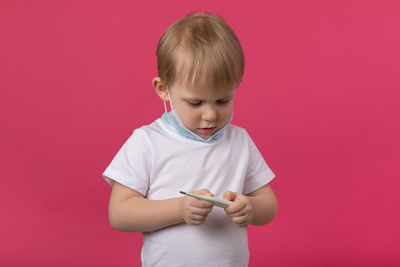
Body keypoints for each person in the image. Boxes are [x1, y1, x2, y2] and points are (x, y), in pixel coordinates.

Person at [102, 11, 278, 267]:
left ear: (236, 86)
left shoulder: (239, 141)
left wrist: (250, 208)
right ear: (164, 89)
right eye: (195, 102)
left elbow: (268, 205)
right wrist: (179, 209)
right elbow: (119, 214)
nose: (210, 115)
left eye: (222, 100)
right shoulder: (147, 142)